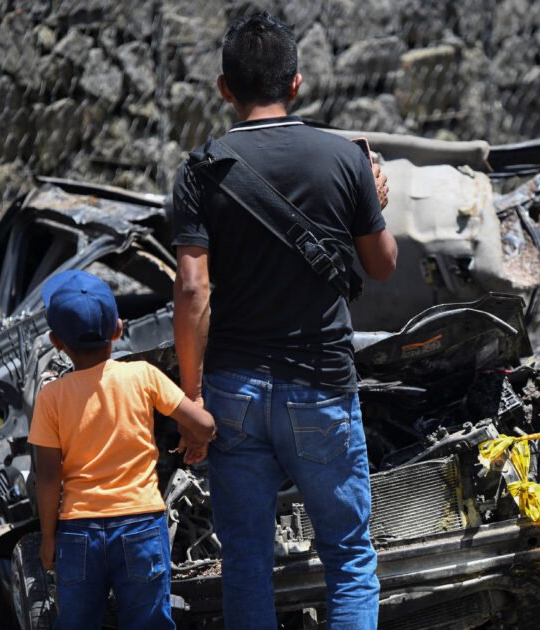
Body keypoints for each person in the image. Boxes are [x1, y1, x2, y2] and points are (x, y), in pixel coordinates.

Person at [170, 11, 397, 629]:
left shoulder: (200, 169)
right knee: (348, 558)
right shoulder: (343, 157)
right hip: (321, 386)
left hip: (233, 392)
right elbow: (382, 266)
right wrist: (376, 202)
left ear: (224, 88)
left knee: (245, 562)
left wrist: (191, 399)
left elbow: (192, 289)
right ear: (296, 83)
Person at [28, 269, 216, 630]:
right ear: (118, 330)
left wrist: (49, 539)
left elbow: (48, 478)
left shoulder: (50, 398)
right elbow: (205, 425)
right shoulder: (143, 375)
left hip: (78, 534)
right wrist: (194, 440)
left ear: (55, 342)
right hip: (140, 527)